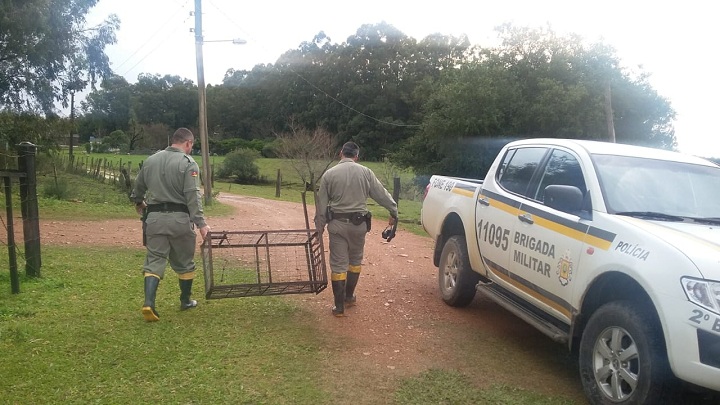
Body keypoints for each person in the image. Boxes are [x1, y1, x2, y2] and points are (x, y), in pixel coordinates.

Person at [130, 127, 211, 322]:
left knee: (154, 259)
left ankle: (149, 303)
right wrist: (201, 224)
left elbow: (137, 189)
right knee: (184, 262)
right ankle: (185, 300)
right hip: (179, 220)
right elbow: (193, 196)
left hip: (154, 219)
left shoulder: (151, 160)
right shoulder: (188, 163)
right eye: (191, 146)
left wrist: (139, 202)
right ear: (188, 143)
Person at [315, 141, 398, 317]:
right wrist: (393, 210)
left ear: (341, 154)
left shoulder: (329, 175)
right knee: (355, 261)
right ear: (356, 156)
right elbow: (380, 194)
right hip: (359, 226)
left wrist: (319, 228)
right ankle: (349, 296)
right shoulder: (366, 172)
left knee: (338, 265)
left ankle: (338, 308)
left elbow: (321, 205)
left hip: (337, 226)